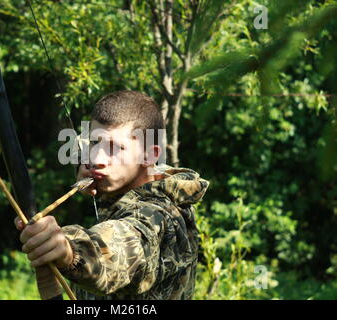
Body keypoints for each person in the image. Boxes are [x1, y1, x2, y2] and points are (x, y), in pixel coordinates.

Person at [15, 90, 209, 299]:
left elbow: (122, 249)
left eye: (115, 147)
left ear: (150, 155)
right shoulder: (121, 199)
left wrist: (68, 250)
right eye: (95, 143)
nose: (97, 157)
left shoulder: (159, 217)